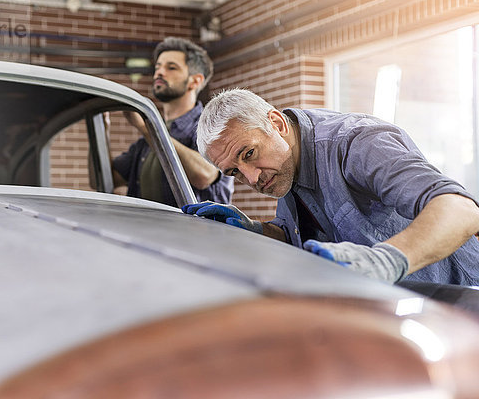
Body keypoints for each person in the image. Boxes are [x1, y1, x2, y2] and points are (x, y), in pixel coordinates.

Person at [183, 88, 479, 285]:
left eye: (249, 154)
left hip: (461, 300)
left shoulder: (358, 143)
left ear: (277, 123)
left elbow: (463, 209)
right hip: (396, 313)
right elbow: (302, 234)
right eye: (234, 171)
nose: (251, 178)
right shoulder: (284, 167)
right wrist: (258, 231)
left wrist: (388, 259)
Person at [91, 37, 233, 207]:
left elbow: (205, 175)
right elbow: (102, 180)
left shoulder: (211, 125)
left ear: (195, 81)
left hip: (196, 234)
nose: (159, 73)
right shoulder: (147, 140)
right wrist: (101, 129)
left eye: (171, 68)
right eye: (157, 67)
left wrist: (145, 128)